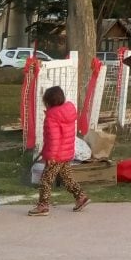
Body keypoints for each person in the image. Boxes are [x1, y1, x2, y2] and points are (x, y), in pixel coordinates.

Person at [28, 86, 89, 217]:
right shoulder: (68, 112)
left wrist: (50, 156)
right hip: (66, 153)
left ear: (48, 102)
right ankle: (81, 197)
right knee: (67, 178)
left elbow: (54, 139)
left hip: (56, 156)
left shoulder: (52, 117)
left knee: (46, 180)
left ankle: (43, 205)